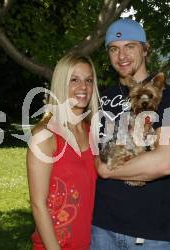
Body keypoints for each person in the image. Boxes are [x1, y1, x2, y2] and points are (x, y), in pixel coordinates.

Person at [91, 19, 170, 249]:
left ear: (145, 49)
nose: (121, 55)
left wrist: (105, 169)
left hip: (149, 236)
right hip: (99, 229)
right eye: (114, 49)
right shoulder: (100, 98)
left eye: (130, 46)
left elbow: (164, 163)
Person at [27, 53, 100, 250]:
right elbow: (37, 205)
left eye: (88, 80)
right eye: (74, 80)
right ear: (61, 84)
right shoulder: (45, 135)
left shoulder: (91, 132)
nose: (83, 87)